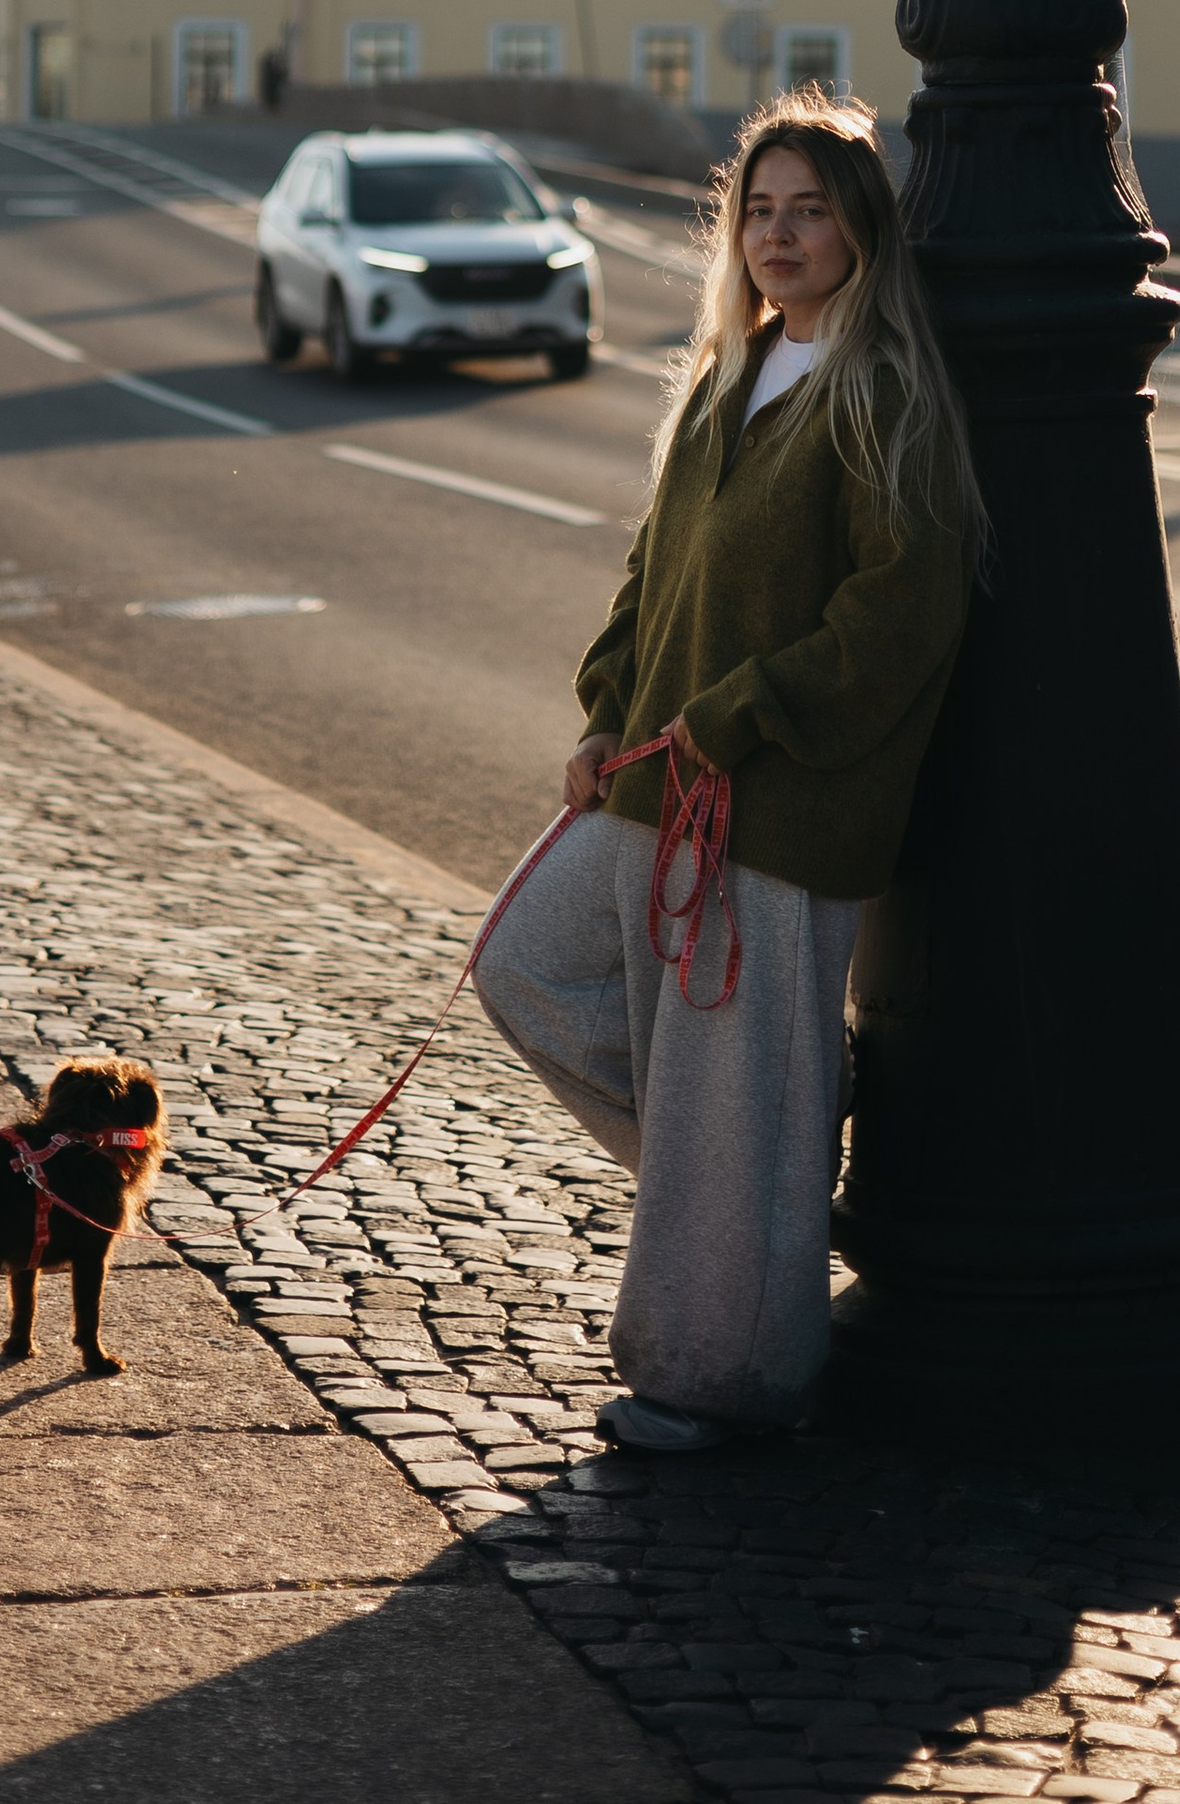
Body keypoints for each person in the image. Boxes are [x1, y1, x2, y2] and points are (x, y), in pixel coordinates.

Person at [472, 88, 982, 1452]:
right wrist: (601, 715)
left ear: (860, 227)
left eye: (811, 209)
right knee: (520, 963)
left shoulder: (883, 391)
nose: (780, 233)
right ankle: (770, 1155)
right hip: (654, 787)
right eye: (760, 209)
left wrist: (748, 707)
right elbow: (654, 574)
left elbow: (905, 606)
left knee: (722, 1122)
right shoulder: (725, 378)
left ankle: (724, 1382)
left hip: (781, 810)